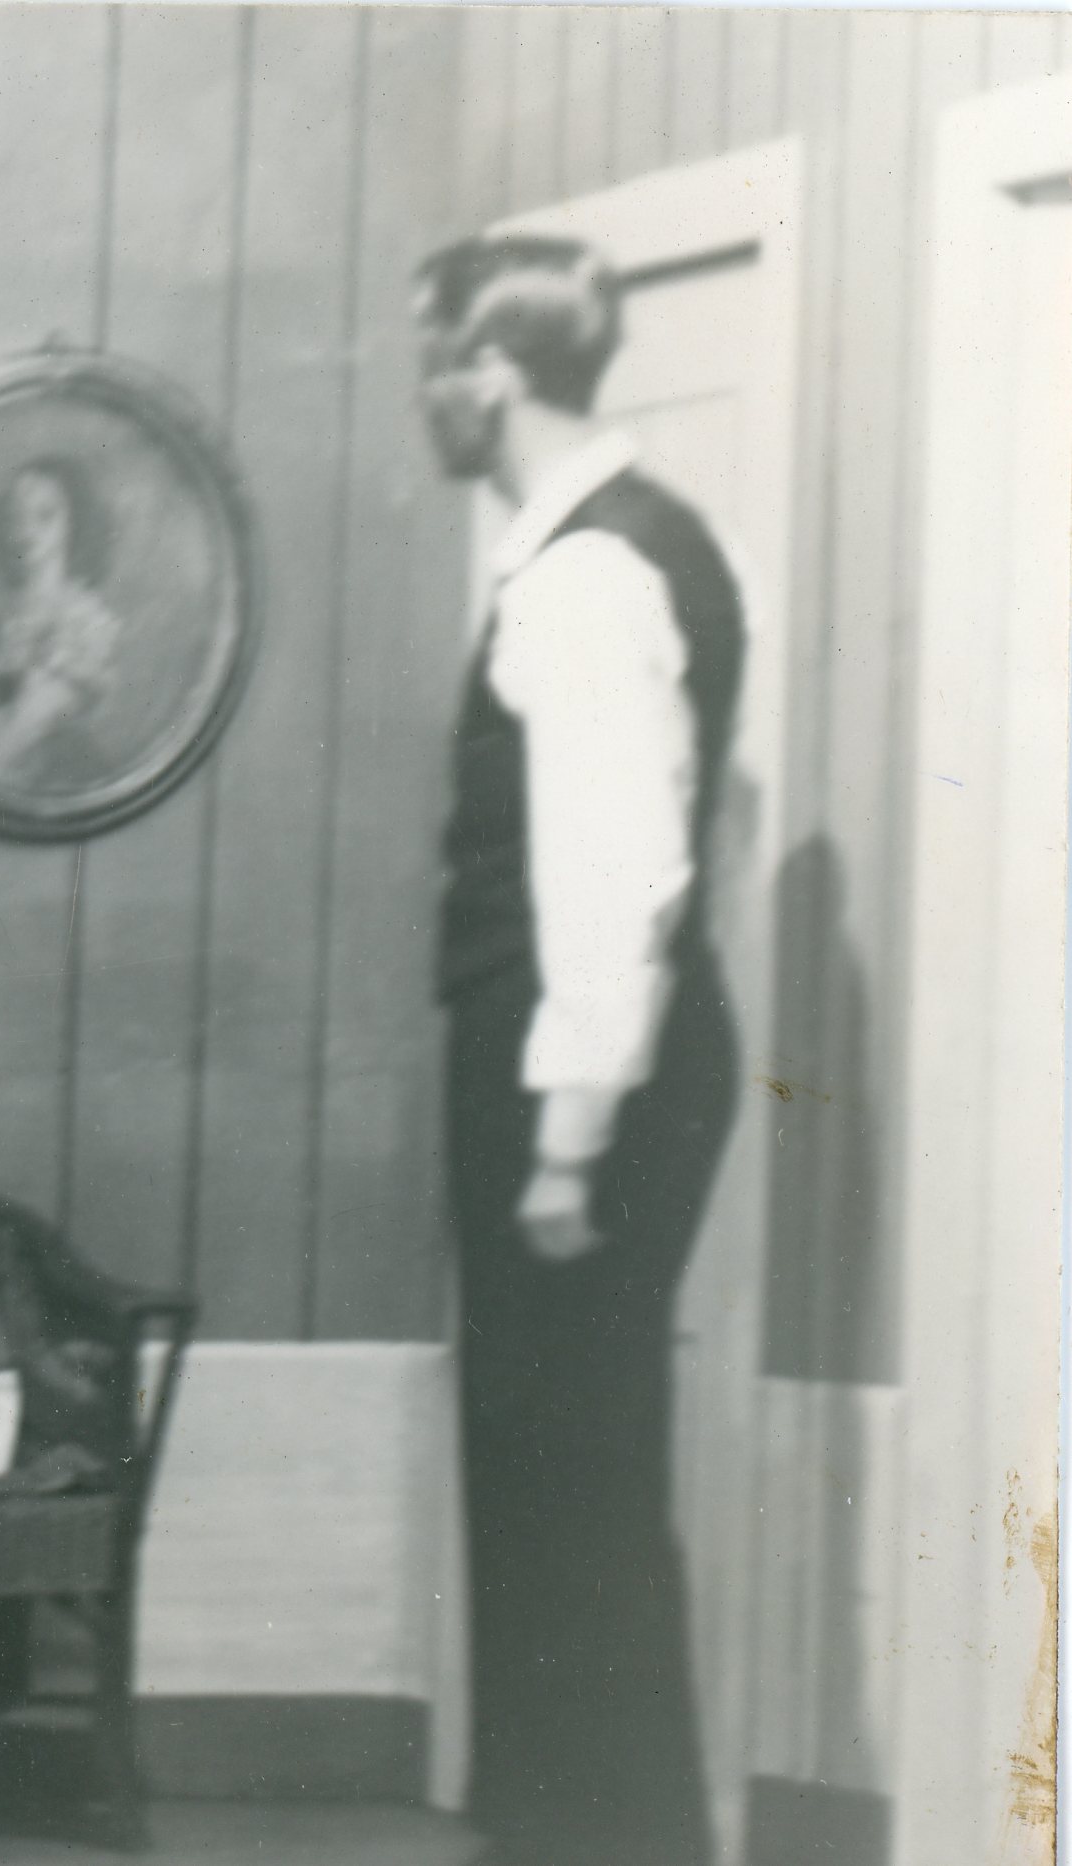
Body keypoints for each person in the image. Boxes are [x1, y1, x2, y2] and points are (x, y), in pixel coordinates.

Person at [412, 230, 739, 1866]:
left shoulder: (587, 572)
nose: (423, 397)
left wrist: (564, 1143)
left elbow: (613, 874)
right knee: (564, 1491)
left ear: (493, 371)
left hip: (576, 1076)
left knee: (566, 1500)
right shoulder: (614, 538)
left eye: (433, 362)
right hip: (587, 1059)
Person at [0, 459, 130, 790]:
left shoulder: (84, 619)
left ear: (74, 525)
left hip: (55, 775)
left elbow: (30, 721)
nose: (26, 531)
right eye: (15, 517)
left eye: (44, 516)